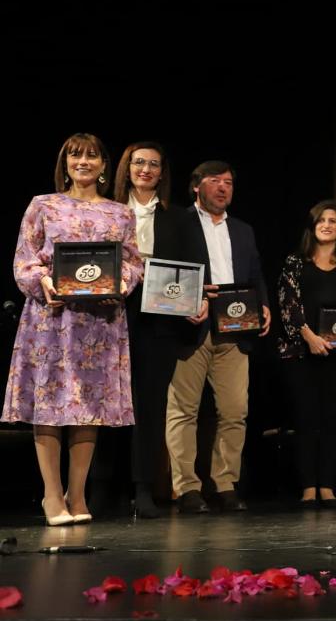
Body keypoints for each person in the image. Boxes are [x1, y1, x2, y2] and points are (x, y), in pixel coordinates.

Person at [4, 133, 143, 526]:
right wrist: (44, 283)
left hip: (99, 323)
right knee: (48, 405)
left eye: (92, 156)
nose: (84, 162)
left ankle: (77, 494)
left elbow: (133, 263)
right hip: (52, 321)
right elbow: (24, 260)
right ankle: (52, 496)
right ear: (65, 163)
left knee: (88, 408)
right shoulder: (43, 206)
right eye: (75, 155)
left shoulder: (120, 213)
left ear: (104, 165)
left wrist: (122, 282)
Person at [165, 160, 271, 514]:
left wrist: (264, 306)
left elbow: (255, 272)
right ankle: (187, 488)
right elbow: (165, 274)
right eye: (215, 181)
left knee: (235, 410)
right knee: (184, 411)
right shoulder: (177, 222)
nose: (224, 188)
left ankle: (224, 482)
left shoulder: (242, 229)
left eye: (229, 182)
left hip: (236, 329)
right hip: (191, 328)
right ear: (197, 186)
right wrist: (188, 301)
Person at [277, 200, 336, 507]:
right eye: (322, 220)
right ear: (312, 226)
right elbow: (288, 303)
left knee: (334, 420)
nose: (328, 225)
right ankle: (307, 486)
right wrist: (309, 336)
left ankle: (328, 486)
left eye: (333, 220)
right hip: (303, 352)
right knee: (306, 419)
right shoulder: (295, 261)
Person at [113, 141, 183, 518]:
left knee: (150, 405)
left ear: (162, 173)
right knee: (107, 405)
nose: (145, 170)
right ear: (127, 167)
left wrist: (195, 301)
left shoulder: (178, 217)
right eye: (139, 162)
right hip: (110, 317)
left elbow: (191, 268)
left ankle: (144, 488)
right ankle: (101, 487)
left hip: (159, 319)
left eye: (154, 164)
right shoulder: (107, 210)